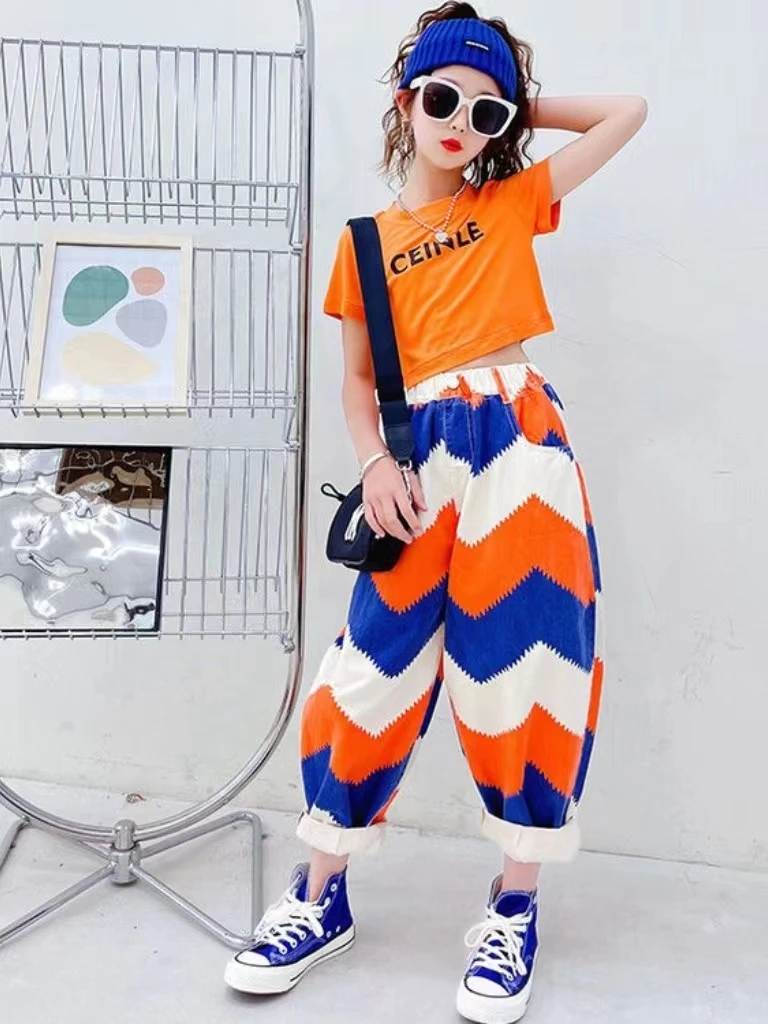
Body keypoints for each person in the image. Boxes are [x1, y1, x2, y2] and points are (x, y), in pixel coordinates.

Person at [225, 3, 647, 1021]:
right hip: (417, 460)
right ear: (406, 99)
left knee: (533, 664)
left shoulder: (511, 202)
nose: (462, 122)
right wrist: (373, 462)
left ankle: (515, 904)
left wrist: (513, 108)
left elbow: (626, 112)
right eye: (444, 98)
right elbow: (356, 381)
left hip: (522, 443)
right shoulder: (363, 243)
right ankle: (320, 892)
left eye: (485, 111)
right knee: (369, 670)